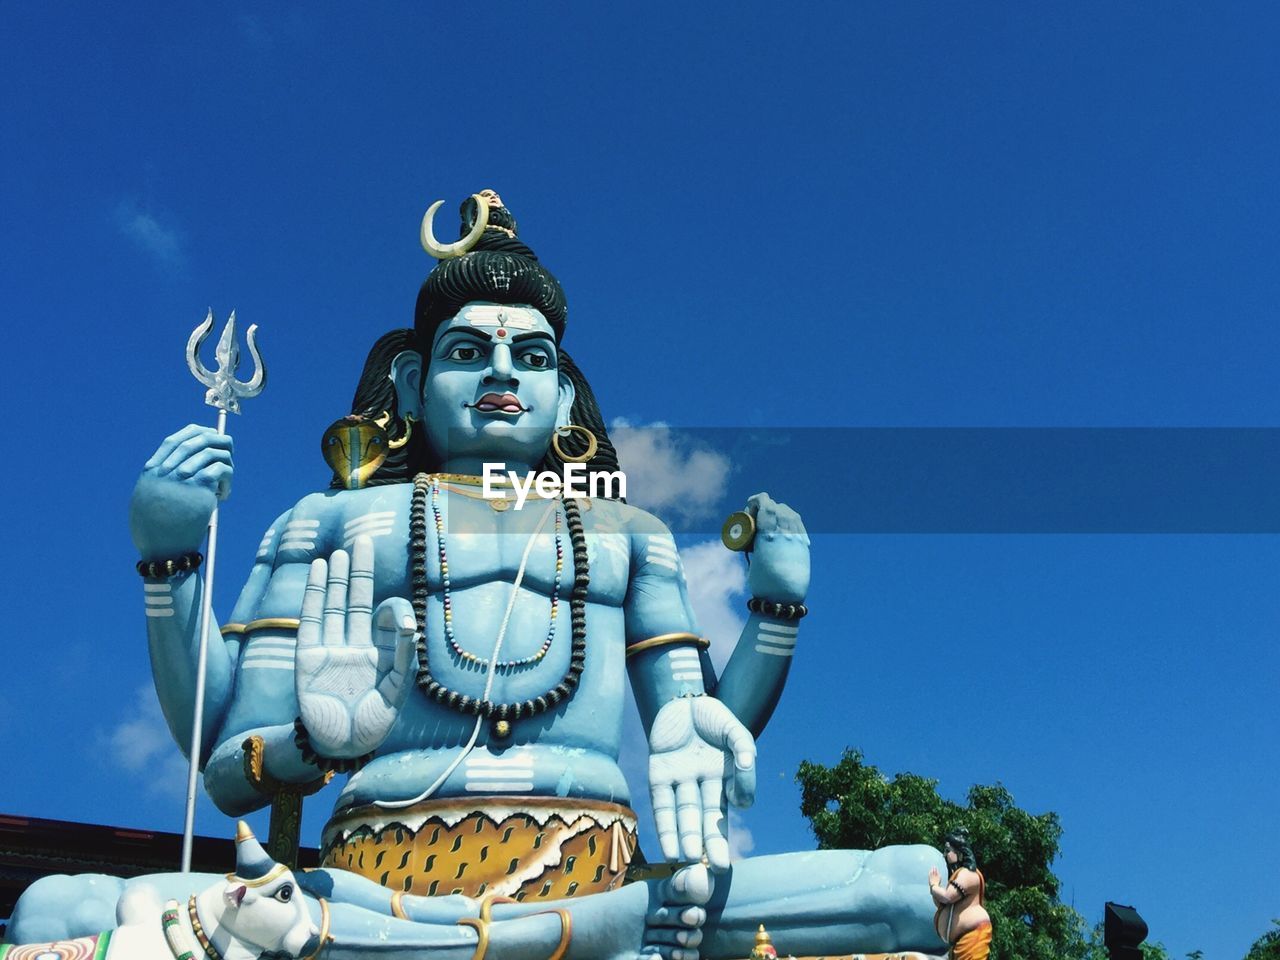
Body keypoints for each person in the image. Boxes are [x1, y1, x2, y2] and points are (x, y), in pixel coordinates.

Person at [15, 191, 947, 958]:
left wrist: (775, 613)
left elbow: (701, 738)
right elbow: (225, 775)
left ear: (563, 394)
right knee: (57, 911)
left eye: (530, 357)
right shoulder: (335, 521)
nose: (502, 373)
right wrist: (176, 570)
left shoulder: (627, 534)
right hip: (369, 886)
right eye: (470, 352)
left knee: (912, 885)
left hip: (603, 889)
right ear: (416, 386)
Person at [928, 830, 992, 960]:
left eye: (948, 851)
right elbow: (942, 904)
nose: (945, 855)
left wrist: (934, 886)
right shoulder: (957, 876)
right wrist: (935, 890)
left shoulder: (968, 874)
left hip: (973, 937)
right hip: (958, 942)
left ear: (959, 852)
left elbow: (947, 897)